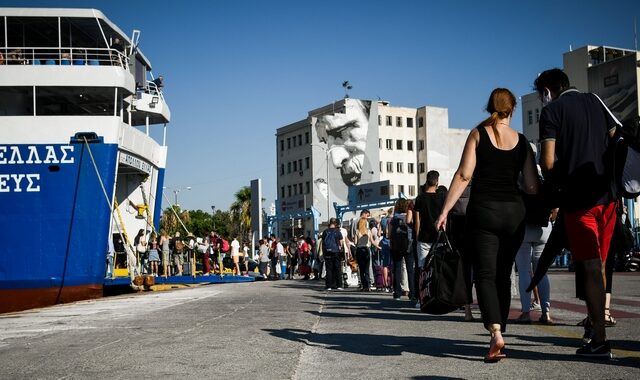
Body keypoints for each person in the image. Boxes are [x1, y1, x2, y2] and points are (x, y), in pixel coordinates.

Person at [435, 88, 539, 363]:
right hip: (514, 214)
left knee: (484, 274)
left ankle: (495, 331)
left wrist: (445, 210)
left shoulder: (478, 134)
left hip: (484, 213)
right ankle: (501, 328)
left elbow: (463, 175)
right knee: (503, 275)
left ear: (489, 107)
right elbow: (530, 185)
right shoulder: (523, 141)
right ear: (513, 110)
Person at [536, 68, 620, 359]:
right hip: (608, 198)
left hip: (579, 202)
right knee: (600, 264)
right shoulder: (597, 101)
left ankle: (599, 339)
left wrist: (566, 170)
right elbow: (614, 140)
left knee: (590, 267)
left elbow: (547, 163)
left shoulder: (552, 112)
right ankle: (596, 321)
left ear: (547, 91)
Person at [413, 170, 445, 303]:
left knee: (423, 268)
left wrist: (416, 236)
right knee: (440, 267)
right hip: (439, 237)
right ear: (437, 181)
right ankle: (441, 296)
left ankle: (423, 298)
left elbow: (417, 221)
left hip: (424, 238)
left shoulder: (420, 199)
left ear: (427, 180)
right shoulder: (443, 198)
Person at [388, 198, 415, 302]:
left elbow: (389, 234)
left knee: (397, 269)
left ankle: (397, 294)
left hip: (396, 247)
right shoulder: (409, 217)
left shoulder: (393, 219)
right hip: (409, 245)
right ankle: (412, 293)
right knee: (410, 270)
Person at [355, 217, 379, 291]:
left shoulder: (357, 231)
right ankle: (368, 285)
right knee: (367, 269)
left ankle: (364, 285)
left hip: (359, 251)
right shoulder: (368, 231)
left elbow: (356, 242)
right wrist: (378, 246)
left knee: (361, 270)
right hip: (367, 250)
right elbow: (372, 241)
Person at [321, 218, 344, 290]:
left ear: (329, 223)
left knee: (329, 269)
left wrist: (324, 252)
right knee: (337, 269)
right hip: (336, 252)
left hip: (327, 252)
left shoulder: (325, 232)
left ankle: (329, 286)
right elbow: (341, 243)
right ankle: (339, 285)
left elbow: (323, 243)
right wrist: (341, 251)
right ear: (335, 224)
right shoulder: (338, 231)